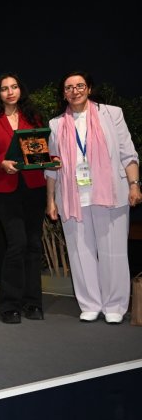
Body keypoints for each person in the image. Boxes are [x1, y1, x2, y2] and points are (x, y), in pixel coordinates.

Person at [45, 71, 141, 323]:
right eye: (69, 87)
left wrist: (134, 185)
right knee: (79, 253)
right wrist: (51, 200)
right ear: (63, 94)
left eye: (80, 86)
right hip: (72, 197)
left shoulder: (112, 113)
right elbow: (52, 166)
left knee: (114, 252)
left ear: (88, 88)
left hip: (111, 193)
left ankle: (115, 306)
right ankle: (89, 303)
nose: (74, 91)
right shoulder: (56, 124)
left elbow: (128, 153)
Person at [0, 73, 48, 325]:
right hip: (5, 189)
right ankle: (9, 305)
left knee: (34, 244)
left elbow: (40, 148)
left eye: (14, 87)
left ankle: (33, 302)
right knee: (17, 243)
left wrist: (49, 159)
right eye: (4, 88)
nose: (10, 92)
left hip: (34, 186)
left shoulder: (33, 117)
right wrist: (0, 163)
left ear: (21, 90)